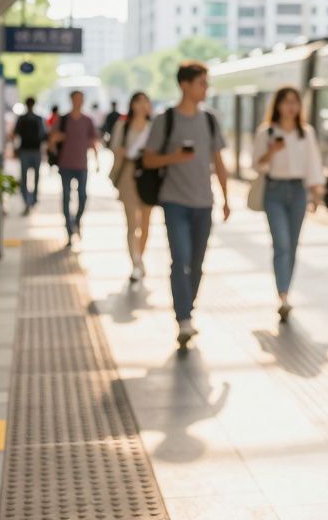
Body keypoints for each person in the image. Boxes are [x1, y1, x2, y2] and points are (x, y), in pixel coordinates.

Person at [142, 62, 230, 347]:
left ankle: (187, 309)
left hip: (204, 203)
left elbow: (218, 161)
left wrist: (227, 198)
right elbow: (148, 159)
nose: (206, 88)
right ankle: (183, 318)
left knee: (197, 262)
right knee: (180, 260)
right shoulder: (164, 120)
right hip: (174, 201)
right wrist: (174, 158)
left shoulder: (210, 120)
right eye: (201, 83)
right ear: (185, 85)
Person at [252, 86, 325, 323]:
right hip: (274, 191)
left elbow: (313, 164)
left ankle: (286, 291)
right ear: (278, 105)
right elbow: (257, 165)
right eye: (286, 102)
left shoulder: (306, 133)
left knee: (292, 245)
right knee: (281, 243)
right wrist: (271, 152)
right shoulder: (267, 132)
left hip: (298, 192)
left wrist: (316, 194)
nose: (291, 107)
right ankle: (282, 295)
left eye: (295, 102)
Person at [110, 92, 153, 282]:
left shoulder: (153, 127)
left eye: (146, 102)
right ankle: (136, 262)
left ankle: (140, 257)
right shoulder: (123, 126)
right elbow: (114, 147)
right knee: (131, 224)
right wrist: (123, 152)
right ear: (133, 104)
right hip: (128, 176)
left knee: (145, 223)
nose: (143, 106)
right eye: (139, 102)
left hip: (148, 178)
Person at [49, 90, 100, 248]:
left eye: (80, 99)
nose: (78, 101)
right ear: (71, 100)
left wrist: (97, 161)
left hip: (82, 165)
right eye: (75, 99)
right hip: (65, 164)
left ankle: (76, 222)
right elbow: (52, 139)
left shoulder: (87, 120)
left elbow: (93, 141)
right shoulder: (63, 120)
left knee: (83, 196)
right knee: (66, 197)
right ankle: (69, 231)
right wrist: (56, 143)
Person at [12, 97, 47, 214]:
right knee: (35, 177)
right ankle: (32, 200)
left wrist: (15, 148)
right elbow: (43, 135)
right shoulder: (38, 119)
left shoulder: (22, 119)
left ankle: (28, 201)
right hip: (34, 151)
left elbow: (15, 134)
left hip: (26, 150)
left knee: (25, 178)